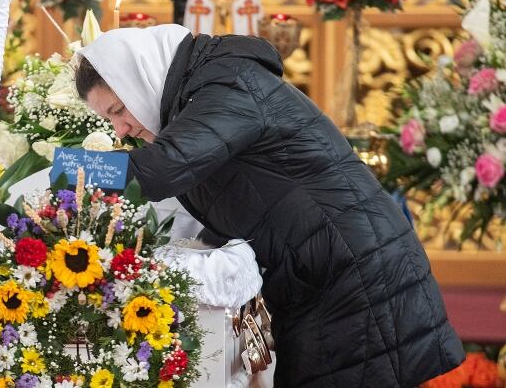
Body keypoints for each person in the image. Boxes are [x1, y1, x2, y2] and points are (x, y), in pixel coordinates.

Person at [74, 24, 464, 387]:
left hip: (354, 273)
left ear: (140, 77)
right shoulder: (200, 93)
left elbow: (166, 169)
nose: (120, 130)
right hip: (324, 273)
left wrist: (70, 169)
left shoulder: (228, 84)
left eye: (118, 111)